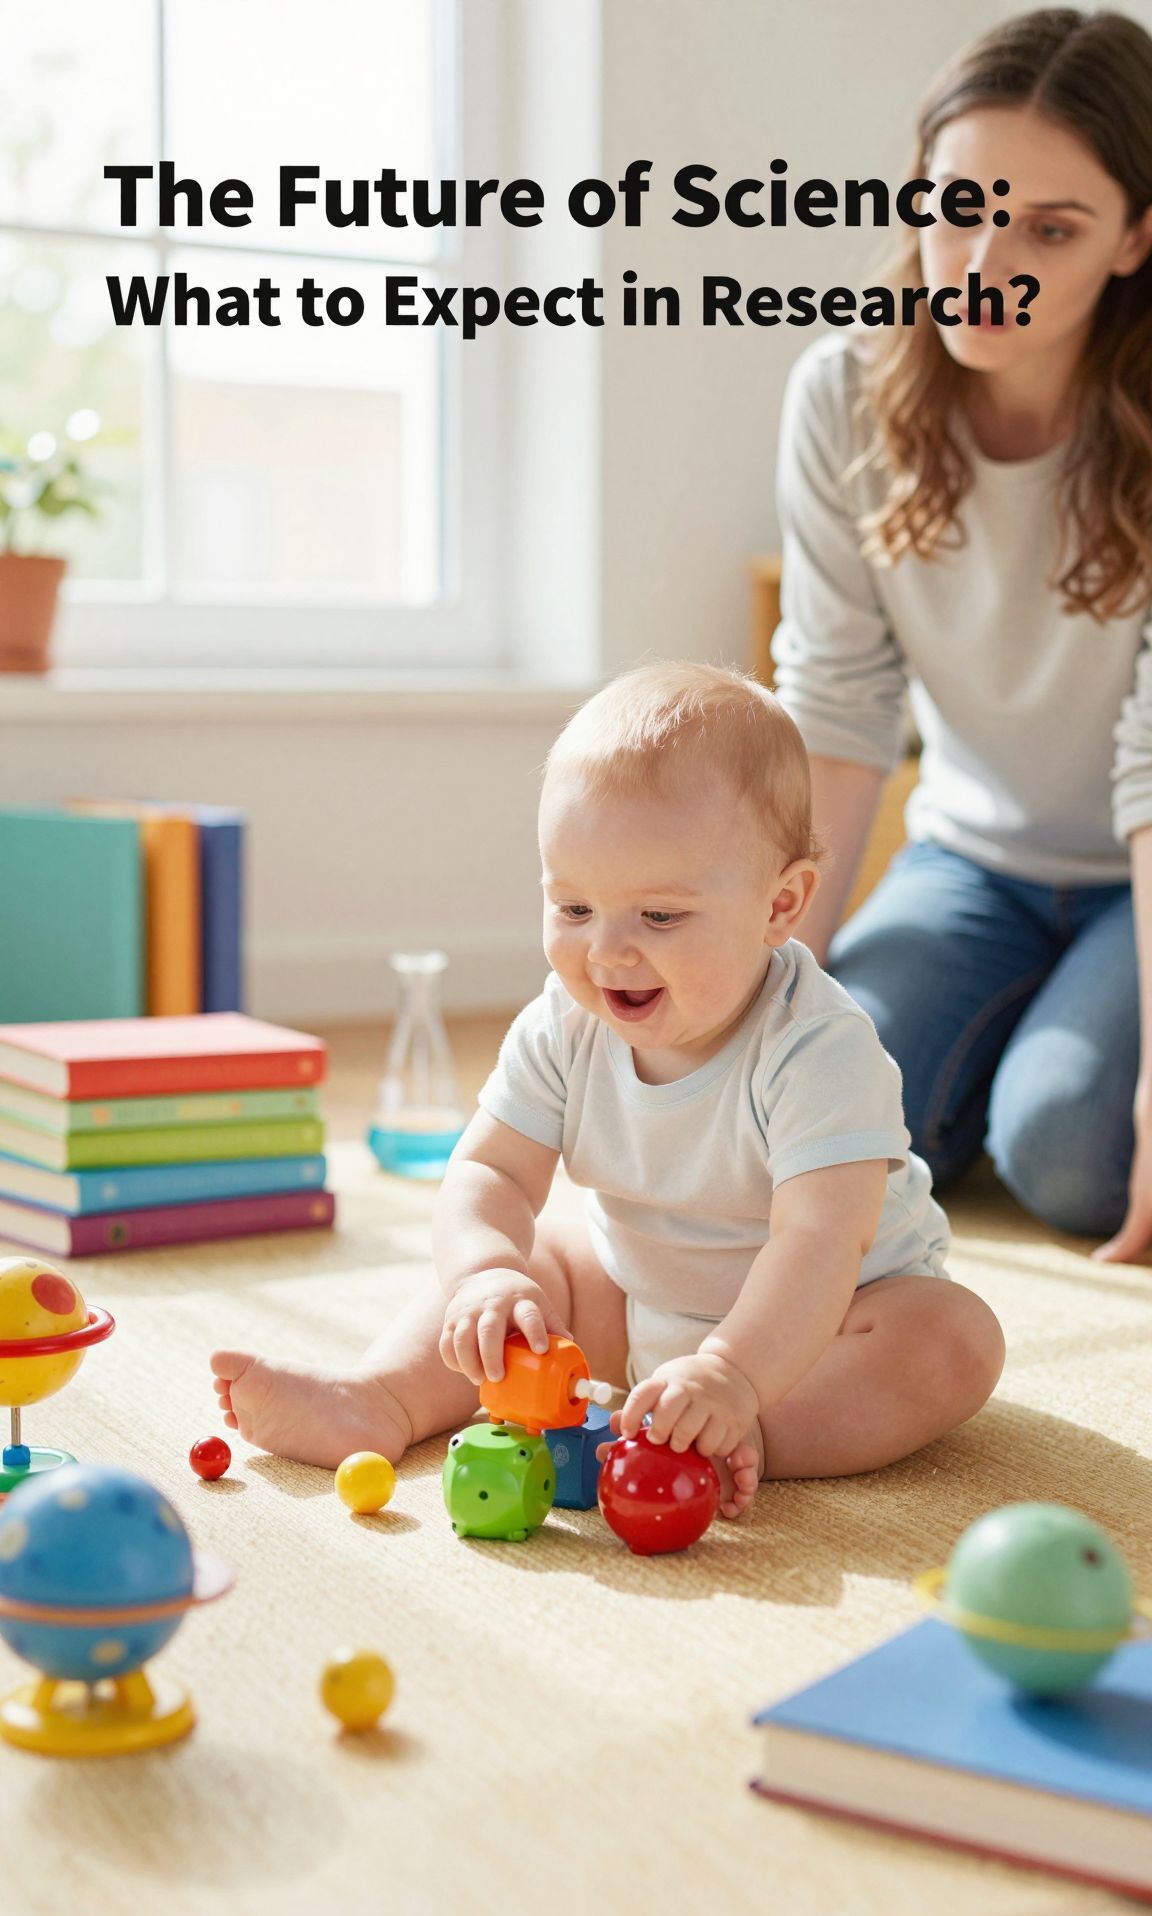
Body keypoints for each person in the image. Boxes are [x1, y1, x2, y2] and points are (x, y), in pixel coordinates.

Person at [211, 664, 1004, 1513]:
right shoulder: (564, 1024)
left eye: (659, 917)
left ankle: (752, 1437)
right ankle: (378, 1398)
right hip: (638, 1299)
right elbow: (491, 1175)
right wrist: (485, 1273)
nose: (608, 952)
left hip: (823, 1328)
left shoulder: (818, 1049)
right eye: (574, 909)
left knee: (951, 1341)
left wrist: (734, 1378)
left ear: (781, 906)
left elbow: (818, 1242)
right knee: (536, 1265)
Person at [772, 7, 1152, 1261]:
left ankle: (1052, 1060)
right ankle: (1021, 1040)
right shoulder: (845, 397)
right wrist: (765, 1001)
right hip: (971, 863)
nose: (988, 258)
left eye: (1051, 227)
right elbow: (835, 709)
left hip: (1134, 870)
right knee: (823, 1104)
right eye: (960, 208)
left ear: (1137, 237)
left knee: (1070, 1149)